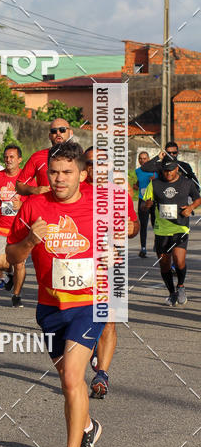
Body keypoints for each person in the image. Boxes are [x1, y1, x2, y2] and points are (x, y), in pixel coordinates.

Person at [7, 141, 104, 447]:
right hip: (50, 308)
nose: (60, 178)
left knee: (72, 379)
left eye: (67, 172)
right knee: (68, 381)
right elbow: (12, 257)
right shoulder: (33, 206)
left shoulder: (99, 202)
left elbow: (128, 230)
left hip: (89, 305)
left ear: (82, 175)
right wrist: (30, 241)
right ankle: (88, 427)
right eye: (54, 172)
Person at [81, 147, 139, 399]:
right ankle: (90, 347)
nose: (96, 168)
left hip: (111, 264)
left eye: (101, 163)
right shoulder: (73, 192)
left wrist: (131, 228)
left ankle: (102, 375)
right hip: (80, 266)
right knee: (83, 319)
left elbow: (134, 226)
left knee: (109, 320)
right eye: (90, 163)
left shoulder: (119, 194)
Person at [143, 155, 201, 306]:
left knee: (179, 260)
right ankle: (172, 293)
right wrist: (146, 205)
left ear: (177, 168)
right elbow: (144, 205)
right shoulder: (155, 184)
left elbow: (198, 198)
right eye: (165, 170)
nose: (168, 173)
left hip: (180, 227)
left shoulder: (187, 183)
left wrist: (191, 208)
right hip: (161, 230)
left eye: (171, 170)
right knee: (164, 264)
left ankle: (180, 286)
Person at [0, 144, 27, 307]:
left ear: (19, 159)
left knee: (19, 263)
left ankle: (17, 295)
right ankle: (10, 274)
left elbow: (36, 199)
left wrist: (22, 205)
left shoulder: (27, 178)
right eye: (6, 157)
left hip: (19, 228)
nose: (8, 160)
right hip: (0, 227)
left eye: (12, 157)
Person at [15, 119, 74, 197]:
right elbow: (19, 185)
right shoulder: (37, 157)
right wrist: (34, 190)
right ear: (49, 136)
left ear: (70, 133)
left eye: (62, 130)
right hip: (46, 203)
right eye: (54, 131)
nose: (58, 133)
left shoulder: (79, 156)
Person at [134, 151, 155, 257]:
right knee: (143, 225)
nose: (142, 160)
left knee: (156, 224)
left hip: (154, 200)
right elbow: (140, 181)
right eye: (140, 158)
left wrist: (154, 180)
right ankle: (143, 248)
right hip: (143, 200)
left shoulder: (155, 170)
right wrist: (136, 185)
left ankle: (157, 243)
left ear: (149, 159)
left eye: (145, 158)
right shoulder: (137, 171)